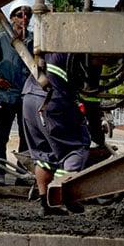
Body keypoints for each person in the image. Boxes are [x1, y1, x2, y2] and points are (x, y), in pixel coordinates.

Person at [21, 51, 92, 215]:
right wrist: (95, 127)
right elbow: (91, 98)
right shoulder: (83, 52)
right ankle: (64, 195)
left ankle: (46, 204)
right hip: (53, 99)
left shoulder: (51, 46)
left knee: (44, 154)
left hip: (29, 97)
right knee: (76, 148)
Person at [0, 0, 33, 185]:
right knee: (1, 136)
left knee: (26, 137)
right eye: (20, 15)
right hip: (7, 96)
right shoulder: (1, 38)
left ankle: (23, 173)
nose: (24, 18)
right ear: (12, 18)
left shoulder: (34, 40)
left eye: (28, 15)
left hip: (27, 96)